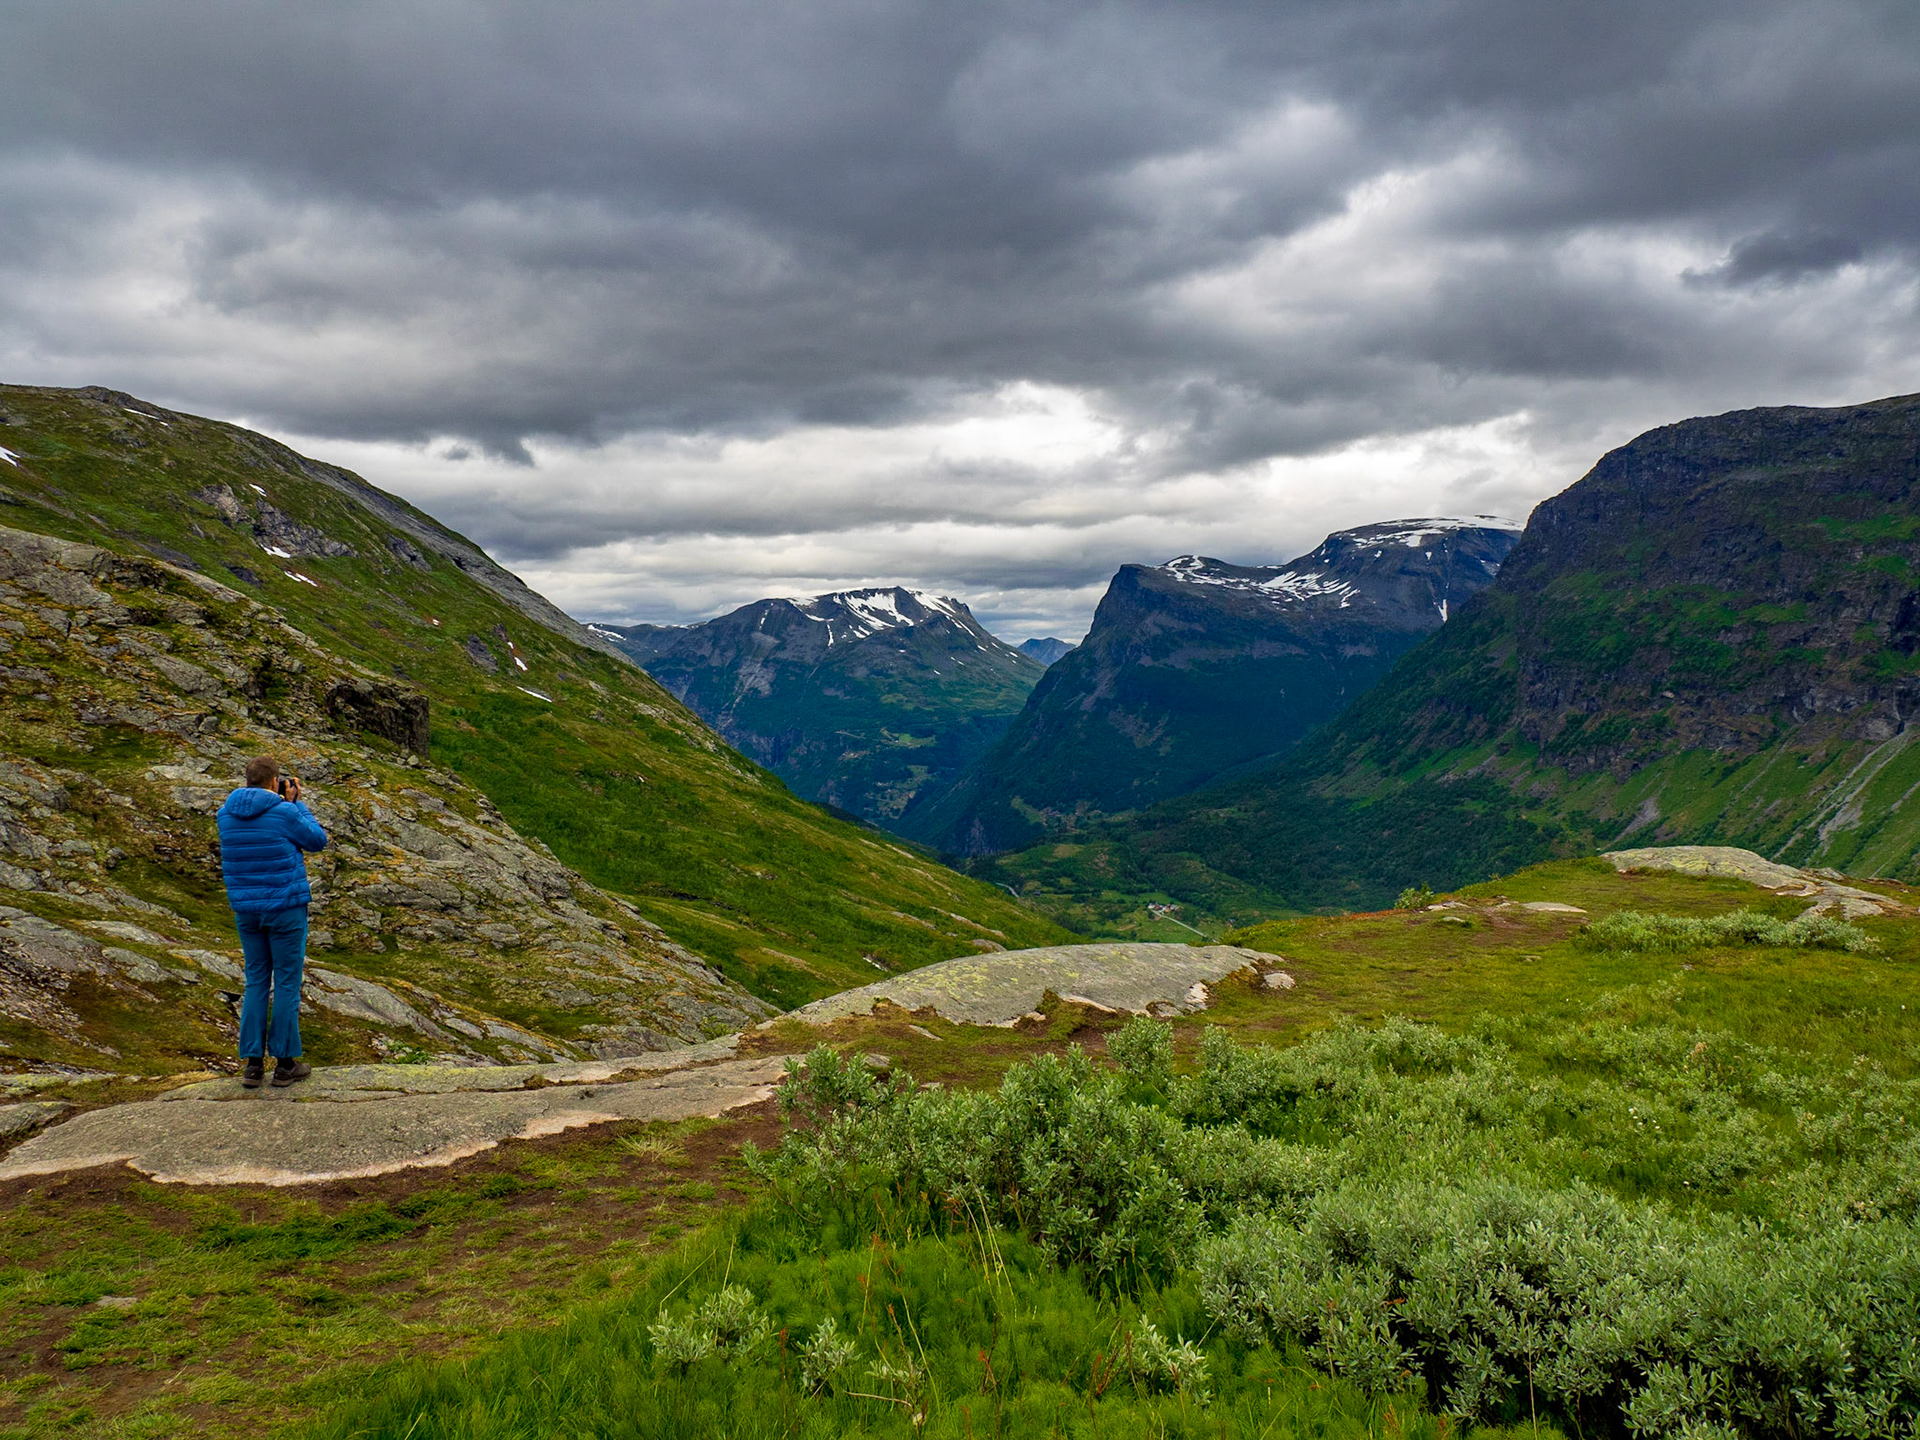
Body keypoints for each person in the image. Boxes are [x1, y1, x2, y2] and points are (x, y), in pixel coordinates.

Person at [215, 756, 328, 1089]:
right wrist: (297, 804)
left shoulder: (225, 816)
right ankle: (284, 1065)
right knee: (288, 983)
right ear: (275, 780)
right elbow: (317, 841)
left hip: (247, 911)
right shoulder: (283, 812)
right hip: (285, 909)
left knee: (256, 982)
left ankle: (252, 1066)